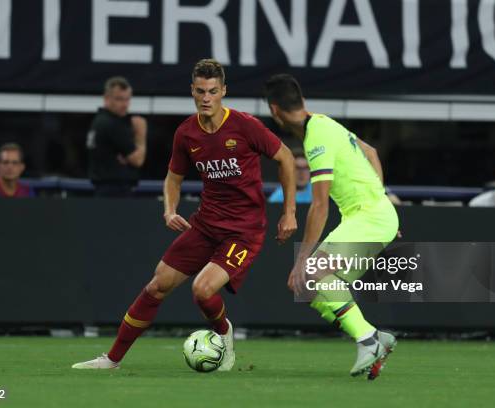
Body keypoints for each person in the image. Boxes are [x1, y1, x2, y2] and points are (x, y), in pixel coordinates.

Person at [72, 59, 297, 370]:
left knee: (202, 290)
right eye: (201, 91)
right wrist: (169, 210)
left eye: (213, 91)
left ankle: (223, 333)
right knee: (157, 285)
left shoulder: (245, 125)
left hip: (244, 230)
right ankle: (112, 359)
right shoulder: (187, 133)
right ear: (192, 90)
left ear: (223, 92)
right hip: (205, 225)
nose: (206, 98)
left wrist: (289, 212)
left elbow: (286, 158)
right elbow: (173, 178)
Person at [264, 74, 398, 380]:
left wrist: (301, 260)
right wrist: (382, 199)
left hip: (370, 216)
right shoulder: (325, 122)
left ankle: (368, 341)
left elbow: (320, 205)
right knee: (307, 286)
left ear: (274, 110)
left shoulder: (316, 138)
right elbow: (371, 153)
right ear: (302, 102)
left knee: (309, 273)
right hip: (372, 215)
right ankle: (376, 337)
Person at [87, 76, 147, 197]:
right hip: (115, 192)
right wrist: (141, 132)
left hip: (105, 189)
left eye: (127, 99)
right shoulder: (111, 123)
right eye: (119, 99)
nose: (125, 104)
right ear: (106, 98)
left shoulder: (99, 120)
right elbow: (138, 160)